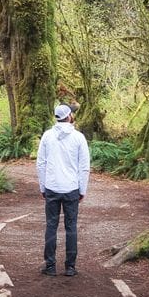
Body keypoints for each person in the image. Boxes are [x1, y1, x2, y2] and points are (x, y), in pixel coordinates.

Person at [36, 103, 90, 276]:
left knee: (51, 225)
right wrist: (83, 189)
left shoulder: (47, 136)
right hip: (71, 188)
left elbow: (41, 163)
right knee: (71, 227)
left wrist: (43, 186)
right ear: (69, 116)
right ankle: (70, 267)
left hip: (52, 187)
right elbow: (84, 166)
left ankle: (50, 266)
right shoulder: (79, 137)